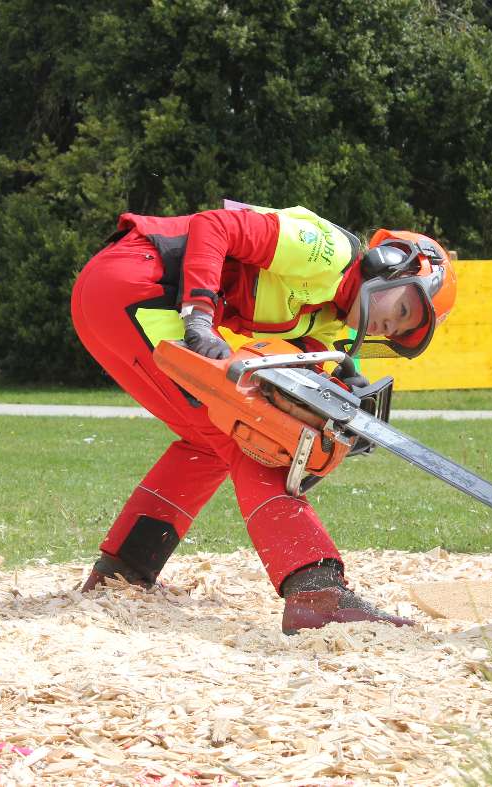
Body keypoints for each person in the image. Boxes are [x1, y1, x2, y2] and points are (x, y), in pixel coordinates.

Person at [69, 202, 456, 633]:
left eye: (398, 333)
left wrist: (337, 410)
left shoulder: (331, 326)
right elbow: (214, 226)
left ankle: (123, 570)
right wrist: (198, 316)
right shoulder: (328, 251)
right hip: (137, 281)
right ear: (391, 264)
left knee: (213, 441)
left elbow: (292, 386)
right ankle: (316, 590)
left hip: (112, 296)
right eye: (402, 312)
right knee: (245, 432)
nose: (388, 327)